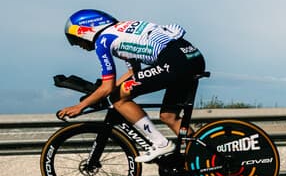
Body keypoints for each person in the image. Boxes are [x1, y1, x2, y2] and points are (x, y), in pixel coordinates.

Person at [58, 9, 208, 163]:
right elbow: (133, 73)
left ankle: (160, 143)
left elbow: (108, 87)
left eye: (76, 39)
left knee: (118, 98)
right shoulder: (121, 29)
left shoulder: (103, 41)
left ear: (86, 31)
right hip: (192, 58)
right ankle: (206, 158)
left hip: (175, 62)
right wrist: (101, 93)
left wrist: (80, 106)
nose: (78, 44)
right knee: (169, 117)